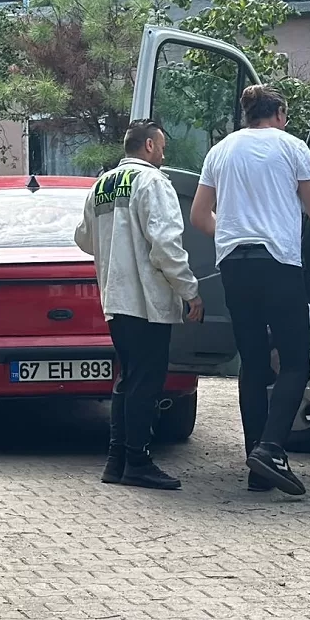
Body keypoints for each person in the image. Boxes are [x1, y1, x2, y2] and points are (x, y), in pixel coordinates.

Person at [190, 84, 310, 496]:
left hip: (235, 265)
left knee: (253, 363)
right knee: (294, 362)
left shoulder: (220, 151)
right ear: (280, 114)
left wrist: (235, 235)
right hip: (279, 263)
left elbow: (200, 215)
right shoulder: (293, 148)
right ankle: (272, 449)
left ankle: (257, 467)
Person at [75, 121, 203, 491]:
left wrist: (115, 243)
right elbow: (165, 245)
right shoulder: (154, 183)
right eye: (161, 146)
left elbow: (83, 239)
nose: (164, 154)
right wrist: (190, 291)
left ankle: (117, 461)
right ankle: (138, 461)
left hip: (115, 297)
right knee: (146, 382)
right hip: (146, 300)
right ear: (148, 146)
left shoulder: (102, 185)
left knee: (128, 380)